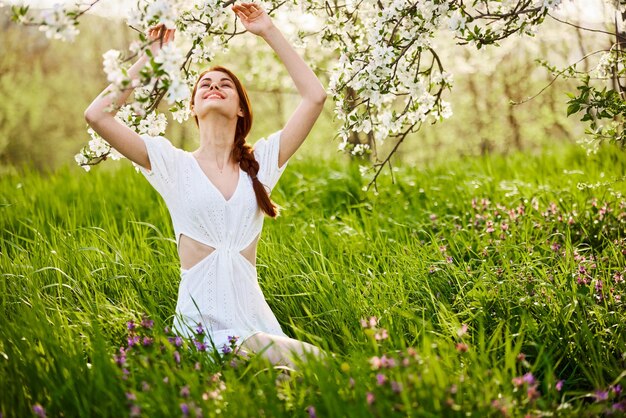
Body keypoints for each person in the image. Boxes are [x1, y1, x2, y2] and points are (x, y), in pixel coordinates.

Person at [84, 2, 327, 369]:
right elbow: (97, 114)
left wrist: (268, 31)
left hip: (258, 327)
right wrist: (151, 54)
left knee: (304, 367)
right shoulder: (172, 165)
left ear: (241, 109)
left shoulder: (259, 165)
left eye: (225, 84)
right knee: (303, 359)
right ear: (193, 108)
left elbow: (315, 96)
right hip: (200, 336)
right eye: (205, 86)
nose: (214, 87)